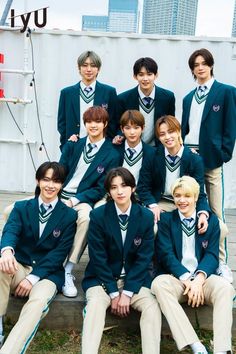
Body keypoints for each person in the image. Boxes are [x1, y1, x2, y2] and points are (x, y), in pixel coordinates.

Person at [81, 167, 161, 354]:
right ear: (108, 191)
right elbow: (98, 257)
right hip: (102, 279)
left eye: (124, 185)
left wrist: (128, 291)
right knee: (94, 306)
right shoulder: (98, 215)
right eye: (114, 187)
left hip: (134, 279)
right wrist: (113, 293)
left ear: (133, 188)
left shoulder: (146, 216)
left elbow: (144, 258)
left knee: (152, 306)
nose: (119, 191)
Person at [151, 176, 235, 354]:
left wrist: (198, 279)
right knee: (158, 284)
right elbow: (166, 255)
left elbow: (212, 255)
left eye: (187, 196)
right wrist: (186, 279)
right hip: (178, 279)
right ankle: (195, 344)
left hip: (202, 280)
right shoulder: (166, 220)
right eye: (177, 195)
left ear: (196, 197)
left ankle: (221, 349)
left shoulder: (210, 221)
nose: (182, 200)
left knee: (225, 289)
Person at [0, 162, 77, 354]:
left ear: (62, 185)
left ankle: (10, 350)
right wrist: (7, 250)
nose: (51, 186)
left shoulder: (69, 215)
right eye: (46, 179)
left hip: (48, 274)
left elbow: (59, 253)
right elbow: (11, 231)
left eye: (56, 181)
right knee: (1, 263)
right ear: (38, 181)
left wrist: (32, 278)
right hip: (21, 266)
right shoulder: (21, 207)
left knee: (37, 305)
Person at [181, 48, 236, 280]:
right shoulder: (188, 98)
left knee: (215, 211)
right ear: (192, 69)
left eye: (204, 63)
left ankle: (222, 262)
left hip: (212, 159)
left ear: (211, 65)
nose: (200, 67)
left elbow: (230, 126)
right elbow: (185, 128)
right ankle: (191, 258)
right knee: (187, 208)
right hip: (190, 159)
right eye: (196, 64)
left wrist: (223, 153)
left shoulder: (225, 92)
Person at [59, 106, 120, 297]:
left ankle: (68, 269)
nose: (93, 125)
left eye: (98, 122)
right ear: (84, 124)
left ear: (105, 124)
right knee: (12, 210)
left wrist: (74, 200)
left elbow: (101, 188)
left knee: (86, 218)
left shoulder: (112, 153)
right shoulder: (73, 144)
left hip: (83, 198)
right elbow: (59, 173)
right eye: (89, 122)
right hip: (59, 193)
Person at [137, 115, 209, 232]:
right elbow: (143, 187)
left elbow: (199, 193)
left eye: (171, 132)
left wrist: (202, 214)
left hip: (185, 203)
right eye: (162, 134)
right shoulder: (152, 156)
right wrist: (153, 205)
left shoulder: (194, 160)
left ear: (179, 131)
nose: (167, 137)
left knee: (220, 229)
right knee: (154, 229)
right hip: (161, 202)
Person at [57, 50, 118, 150]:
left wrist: (108, 144)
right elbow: (61, 123)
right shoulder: (67, 93)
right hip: (74, 146)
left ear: (98, 69)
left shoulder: (109, 92)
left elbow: (113, 122)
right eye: (85, 65)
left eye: (93, 65)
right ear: (79, 68)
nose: (89, 69)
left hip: (100, 147)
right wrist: (66, 144)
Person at [115, 57, 175, 146]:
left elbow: (171, 125)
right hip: (133, 147)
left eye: (149, 74)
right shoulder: (123, 99)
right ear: (135, 76)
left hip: (158, 149)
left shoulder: (168, 97)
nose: (145, 79)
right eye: (141, 74)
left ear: (156, 75)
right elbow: (118, 126)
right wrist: (119, 136)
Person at [114, 109, 156, 185]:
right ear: (122, 129)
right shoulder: (115, 150)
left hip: (141, 194)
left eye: (136, 128)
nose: (132, 132)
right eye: (127, 128)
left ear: (142, 128)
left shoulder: (152, 153)